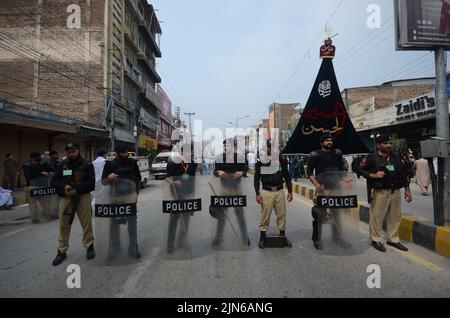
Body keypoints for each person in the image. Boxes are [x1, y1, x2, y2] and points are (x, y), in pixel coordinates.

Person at [360, 134, 412, 252]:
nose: (389, 145)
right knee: (377, 216)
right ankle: (375, 239)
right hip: (380, 191)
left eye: (390, 143)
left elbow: (403, 173)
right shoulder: (372, 157)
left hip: (395, 191)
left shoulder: (396, 156)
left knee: (395, 217)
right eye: (385, 143)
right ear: (378, 145)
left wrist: (407, 190)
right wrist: (373, 175)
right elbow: (360, 170)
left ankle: (392, 239)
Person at [51, 143, 95, 266]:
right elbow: (54, 181)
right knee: (63, 225)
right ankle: (62, 251)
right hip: (66, 198)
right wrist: (64, 187)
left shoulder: (87, 164)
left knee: (86, 223)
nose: (71, 154)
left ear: (78, 151)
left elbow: (91, 184)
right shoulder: (62, 165)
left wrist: (77, 190)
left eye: (73, 151)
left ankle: (89, 246)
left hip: (82, 197)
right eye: (69, 152)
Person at [307, 133, 350, 250]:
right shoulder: (315, 155)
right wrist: (316, 184)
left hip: (336, 189)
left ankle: (337, 237)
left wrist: (345, 181)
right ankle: (316, 239)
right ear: (321, 143)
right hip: (322, 190)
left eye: (331, 140)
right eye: (327, 140)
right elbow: (309, 173)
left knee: (337, 215)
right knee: (318, 214)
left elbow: (342, 170)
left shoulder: (337, 154)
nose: (329, 142)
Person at [102, 144, 142, 259]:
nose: (125, 154)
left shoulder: (133, 163)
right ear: (118, 153)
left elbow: (138, 180)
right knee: (114, 224)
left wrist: (136, 196)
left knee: (132, 224)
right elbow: (103, 182)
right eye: (123, 152)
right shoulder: (110, 164)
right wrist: (109, 178)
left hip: (130, 198)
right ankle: (115, 249)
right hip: (115, 199)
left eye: (126, 152)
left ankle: (133, 249)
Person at [254, 140, 293, 248]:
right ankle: (262, 236)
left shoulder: (281, 159)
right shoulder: (261, 161)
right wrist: (257, 193)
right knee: (265, 215)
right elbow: (256, 178)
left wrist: (290, 191)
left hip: (279, 191)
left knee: (282, 214)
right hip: (266, 192)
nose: (273, 149)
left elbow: (287, 176)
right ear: (266, 148)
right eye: (270, 147)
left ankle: (283, 235)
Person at [211, 140, 250, 247]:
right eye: (224, 146)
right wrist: (219, 172)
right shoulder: (220, 157)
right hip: (224, 189)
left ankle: (244, 236)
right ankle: (218, 238)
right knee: (221, 214)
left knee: (240, 214)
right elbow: (215, 171)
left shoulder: (240, 157)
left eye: (227, 146)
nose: (225, 147)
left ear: (233, 147)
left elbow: (246, 168)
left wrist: (241, 172)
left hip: (236, 189)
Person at [164, 144, 197, 254]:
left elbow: (192, 179)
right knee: (173, 220)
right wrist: (173, 182)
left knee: (185, 221)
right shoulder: (174, 162)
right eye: (186, 152)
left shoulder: (192, 164)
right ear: (182, 152)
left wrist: (193, 194)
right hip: (176, 195)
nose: (188, 154)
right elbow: (166, 177)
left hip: (187, 194)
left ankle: (181, 242)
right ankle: (170, 245)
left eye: (190, 152)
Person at [23, 152, 51, 223]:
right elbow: (28, 176)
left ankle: (48, 216)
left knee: (45, 202)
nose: (39, 159)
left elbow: (48, 171)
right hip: (32, 186)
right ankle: (35, 219)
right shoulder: (27, 165)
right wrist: (40, 173)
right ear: (32, 158)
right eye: (37, 158)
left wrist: (49, 172)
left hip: (42, 186)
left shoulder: (41, 164)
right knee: (33, 204)